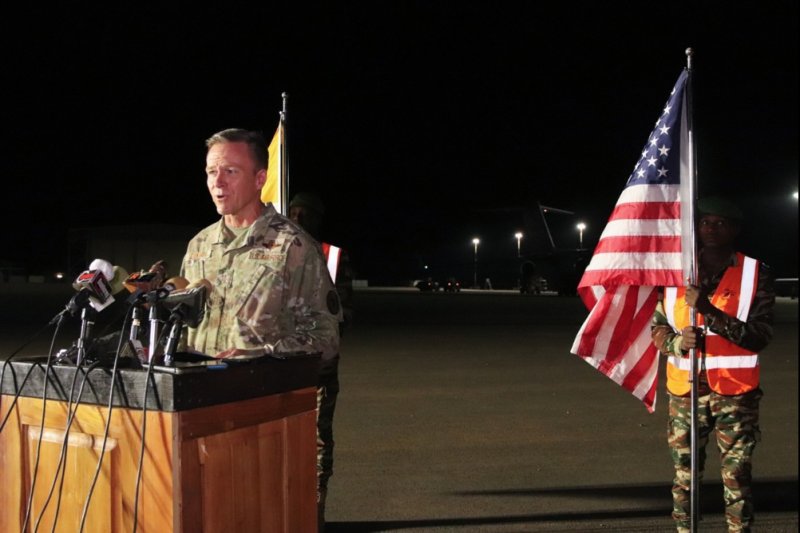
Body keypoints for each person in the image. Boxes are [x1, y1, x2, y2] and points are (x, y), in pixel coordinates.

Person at [651, 196, 775, 533]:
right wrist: (677, 342)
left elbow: (760, 336)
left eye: (721, 223)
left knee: (736, 477)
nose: (711, 228)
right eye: (706, 222)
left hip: (735, 394)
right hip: (685, 391)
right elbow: (658, 327)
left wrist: (709, 311)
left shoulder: (754, 273)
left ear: (735, 229)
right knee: (684, 474)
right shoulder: (678, 272)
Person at [180, 127, 341, 362]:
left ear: (260, 179)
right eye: (211, 171)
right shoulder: (199, 246)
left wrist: (264, 355)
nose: (218, 182)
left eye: (230, 171)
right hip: (197, 393)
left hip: (258, 393)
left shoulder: (293, 247)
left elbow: (326, 339)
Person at [288, 192, 354, 531]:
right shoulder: (275, 253)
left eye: (305, 214)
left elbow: (344, 309)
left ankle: (316, 515)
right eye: (293, 213)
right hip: (280, 366)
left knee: (316, 441)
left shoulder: (331, 256)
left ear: (316, 218)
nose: (297, 219)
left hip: (318, 367)